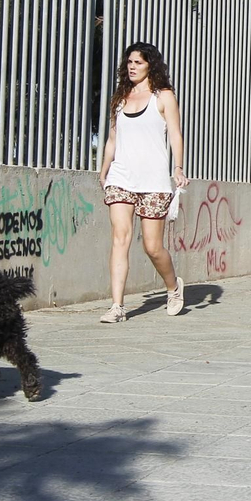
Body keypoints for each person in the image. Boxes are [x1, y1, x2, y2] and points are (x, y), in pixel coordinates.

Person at [98, 42, 187, 323]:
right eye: (129, 62)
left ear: (151, 65)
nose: (132, 67)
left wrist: (178, 167)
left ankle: (173, 287)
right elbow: (113, 139)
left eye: (138, 62)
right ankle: (117, 306)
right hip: (121, 177)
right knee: (120, 239)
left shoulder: (164, 96)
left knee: (152, 246)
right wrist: (104, 170)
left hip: (154, 181)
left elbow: (175, 134)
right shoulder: (120, 98)